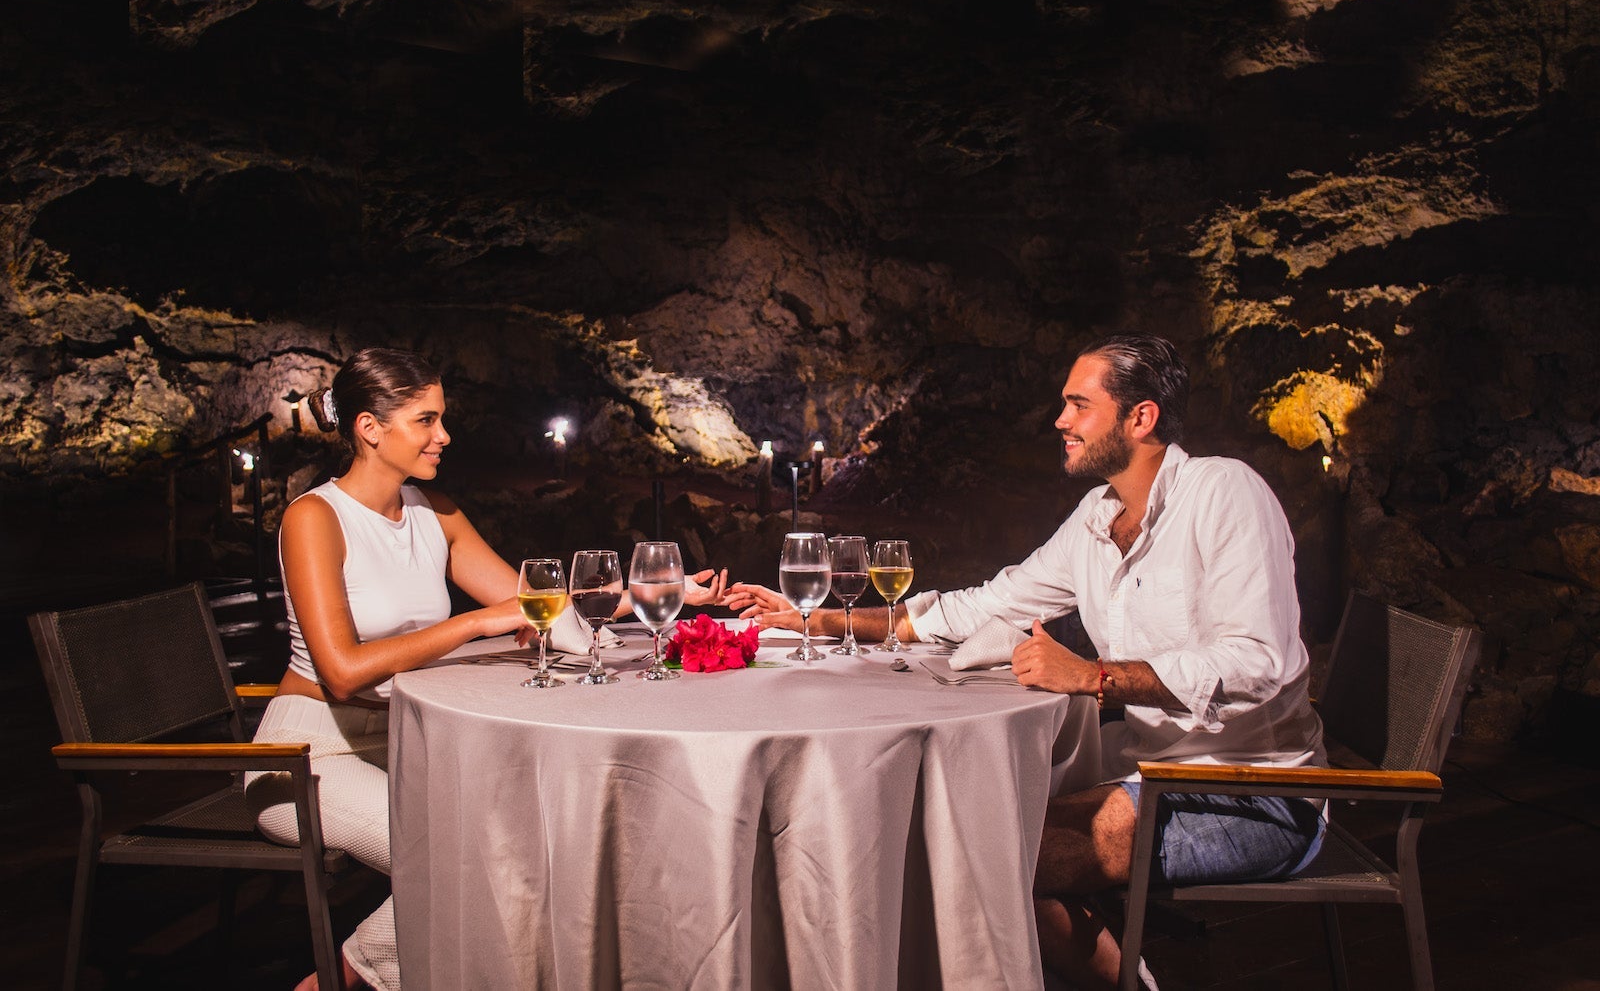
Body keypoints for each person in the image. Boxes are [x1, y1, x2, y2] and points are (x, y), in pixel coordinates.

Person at [726, 333, 1325, 990]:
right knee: (951, 833)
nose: (1059, 421)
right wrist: (812, 617)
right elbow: (983, 605)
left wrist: (1092, 675)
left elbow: (1256, 661)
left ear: (1141, 417)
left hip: (1252, 794)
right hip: (1148, 774)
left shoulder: (1224, 493)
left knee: (988, 855)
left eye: (1078, 405)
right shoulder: (1097, 519)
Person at [246, 347, 726, 991]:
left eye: (441, 418)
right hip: (308, 758)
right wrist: (473, 622)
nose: (444, 435)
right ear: (370, 428)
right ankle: (334, 985)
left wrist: (652, 598)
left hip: (406, 744)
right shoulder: (314, 518)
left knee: (536, 832)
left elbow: (538, 602)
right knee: (468, 857)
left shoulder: (433, 511)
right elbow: (341, 672)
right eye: (425, 420)